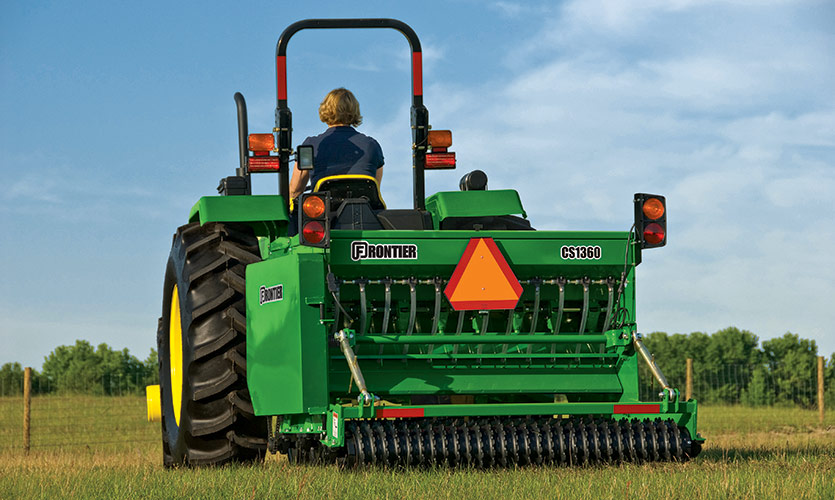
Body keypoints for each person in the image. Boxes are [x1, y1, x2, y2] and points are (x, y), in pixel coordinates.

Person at [289, 88, 384, 201]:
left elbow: (295, 191)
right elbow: (375, 188)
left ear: (325, 109)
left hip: (324, 213)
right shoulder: (372, 146)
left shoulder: (311, 145)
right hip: (364, 214)